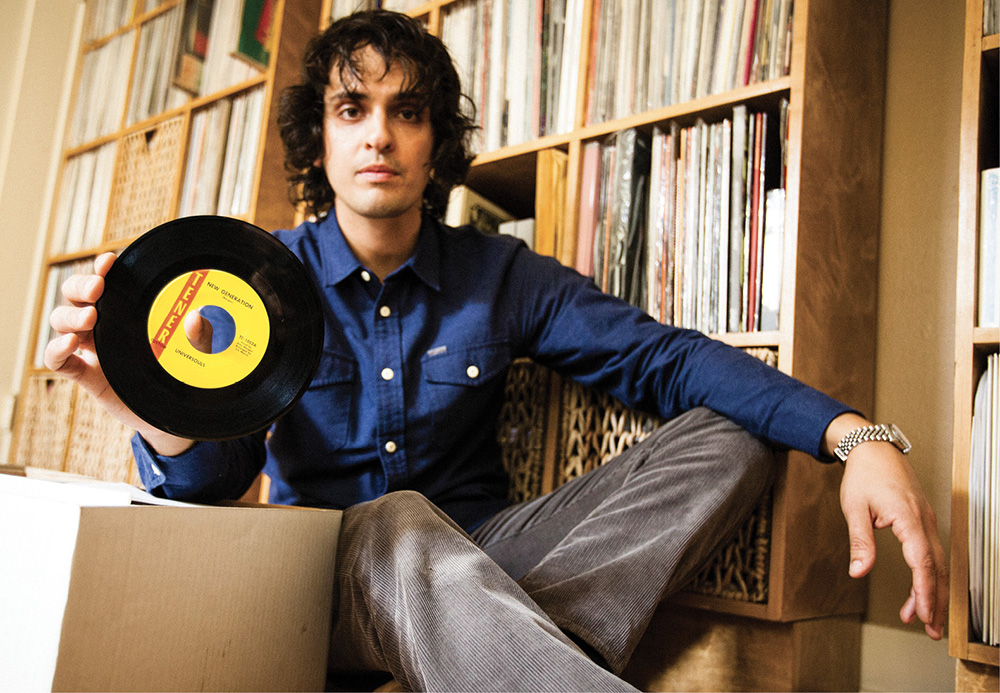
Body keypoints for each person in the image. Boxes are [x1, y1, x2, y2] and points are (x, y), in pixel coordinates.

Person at [45, 9, 946, 692]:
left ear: (437, 141)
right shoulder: (255, 278)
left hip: (489, 556)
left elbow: (666, 359)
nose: (378, 134)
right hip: (327, 581)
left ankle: (504, 652)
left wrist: (858, 435)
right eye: (352, 108)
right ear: (320, 137)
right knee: (395, 518)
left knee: (731, 433)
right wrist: (149, 409)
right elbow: (216, 480)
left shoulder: (499, 273)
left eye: (408, 112)